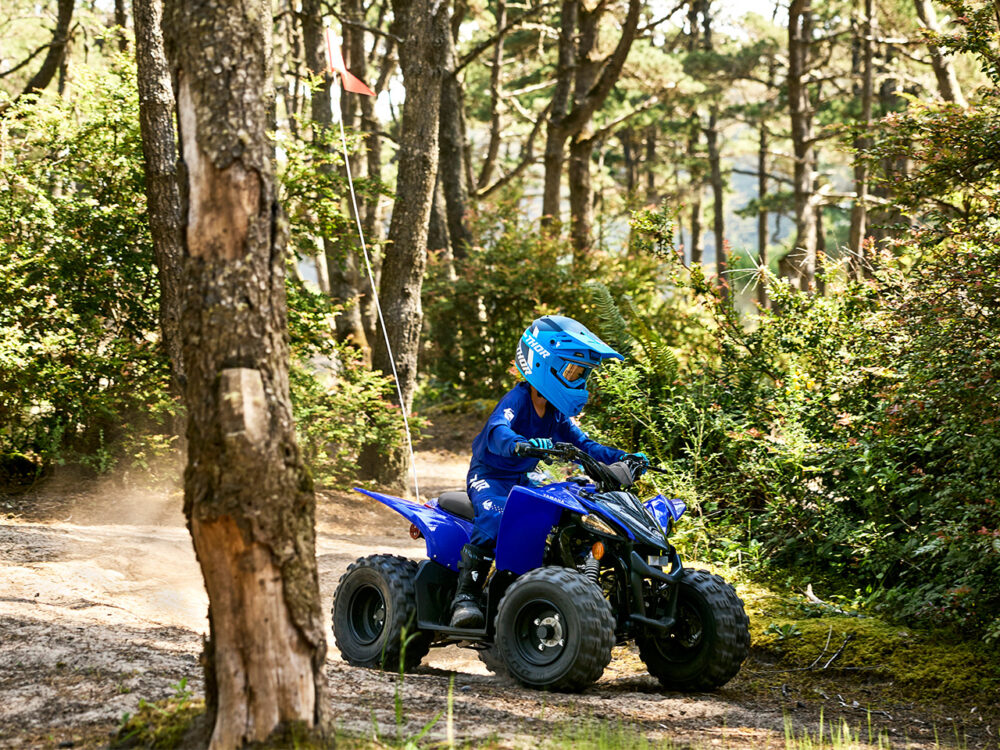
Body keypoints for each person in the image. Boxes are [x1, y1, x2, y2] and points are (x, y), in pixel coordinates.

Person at [450, 315, 648, 628]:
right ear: (544, 364)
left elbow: (585, 446)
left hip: (522, 479)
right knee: (497, 517)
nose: (578, 379)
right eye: (573, 370)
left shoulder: (556, 414)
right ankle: (465, 598)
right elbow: (497, 430)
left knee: (562, 513)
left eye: (581, 373)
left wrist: (623, 457)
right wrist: (519, 444)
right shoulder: (517, 399)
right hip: (489, 477)